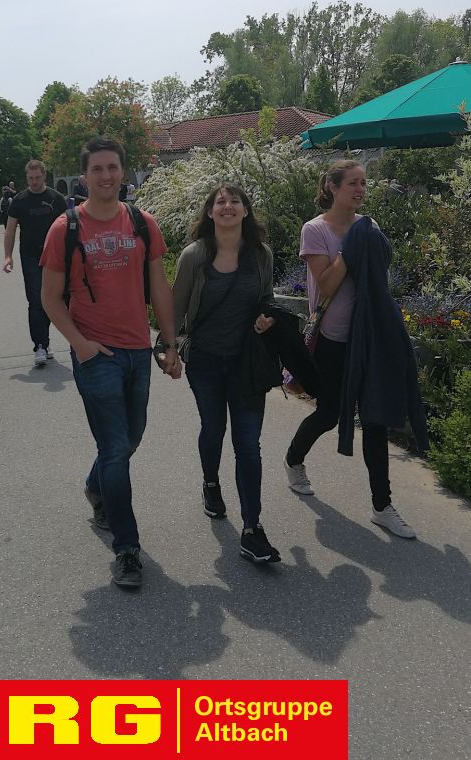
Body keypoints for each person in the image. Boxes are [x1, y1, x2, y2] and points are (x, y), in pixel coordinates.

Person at [41, 136, 181, 589]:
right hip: (95, 353)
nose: (106, 176)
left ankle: (95, 485)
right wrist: (80, 344)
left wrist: (170, 342)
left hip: (138, 349)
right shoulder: (65, 228)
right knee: (117, 448)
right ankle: (127, 549)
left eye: (112, 167)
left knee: (129, 439)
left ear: (124, 172)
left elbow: (159, 286)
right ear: (84, 176)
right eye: (97, 169)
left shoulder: (142, 222)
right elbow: (49, 297)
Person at [283, 160, 424, 539]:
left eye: (364, 183)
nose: (361, 189)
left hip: (369, 339)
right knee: (328, 414)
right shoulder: (315, 230)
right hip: (332, 340)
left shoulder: (369, 226)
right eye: (353, 183)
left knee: (374, 419)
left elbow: (379, 274)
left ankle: (382, 506)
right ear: (332, 187)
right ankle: (293, 460)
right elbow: (327, 285)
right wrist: (351, 247)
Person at [172, 184, 280, 565]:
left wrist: (267, 318)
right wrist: (168, 349)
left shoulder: (261, 255)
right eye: (220, 202)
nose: (228, 206)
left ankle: (252, 529)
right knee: (214, 428)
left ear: (246, 211)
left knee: (248, 443)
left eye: (236, 201)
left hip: (246, 363)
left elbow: (267, 298)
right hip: (205, 361)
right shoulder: (194, 256)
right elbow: (174, 309)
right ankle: (211, 482)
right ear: (210, 213)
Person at [3, 161, 66, 366]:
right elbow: (10, 230)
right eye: (30, 178)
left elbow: (69, 226)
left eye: (37, 178)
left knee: (54, 298)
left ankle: (45, 341)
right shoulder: (19, 201)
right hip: (30, 256)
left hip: (54, 256)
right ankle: (40, 345)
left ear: (44, 176)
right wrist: (8, 256)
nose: (34, 182)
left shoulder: (56, 199)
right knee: (36, 300)